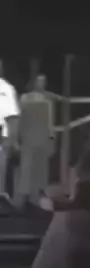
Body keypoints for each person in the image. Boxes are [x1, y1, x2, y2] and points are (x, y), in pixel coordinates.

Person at [17, 75, 56, 207]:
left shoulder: (47, 99)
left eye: (44, 81)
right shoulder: (25, 98)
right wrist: (18, 136)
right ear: (34, 83)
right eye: (40, 81)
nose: (42, 84)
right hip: (28, 137)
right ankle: (25, 195)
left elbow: (50, 121)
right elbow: (20, 117)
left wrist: (51, 138)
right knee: (27, 166)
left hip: (42, 137)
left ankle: (39, 192)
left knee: (41, 166)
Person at [0, 62, 20, 201]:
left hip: (2, 135)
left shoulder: (6, 88)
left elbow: (13, 116)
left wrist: (12, 140)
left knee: (2, 167)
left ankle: (2, 196)